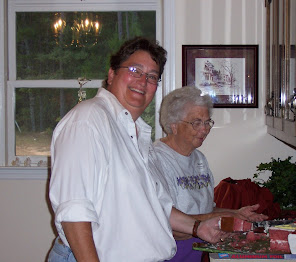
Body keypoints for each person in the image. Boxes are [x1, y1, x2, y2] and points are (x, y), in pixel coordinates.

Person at [48, 37, 229, 262]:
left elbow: (157, 204)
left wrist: (198, 227)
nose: (143, 81)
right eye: (135, 70)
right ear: (112, 74)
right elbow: (75, 213)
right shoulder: (88, 119)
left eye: (152, 76)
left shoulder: (133, 132)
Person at [153, 86, 268, 262]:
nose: (205, 129)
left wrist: (236, 213)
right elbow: (168, 226)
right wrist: (227, 217)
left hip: (196, 252)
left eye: (207, 122)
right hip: (169, 255)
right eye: (196, 123)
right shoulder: (156, 160)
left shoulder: (199, 159)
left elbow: (207, 210)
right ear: (173, 126)